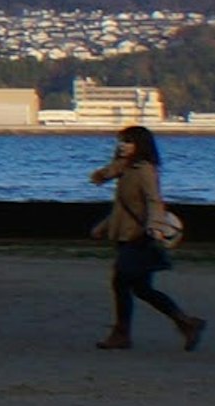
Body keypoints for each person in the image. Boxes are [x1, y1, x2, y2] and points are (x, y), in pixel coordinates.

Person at [86, 124, 205, 351]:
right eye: (121, 141)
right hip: (127, 234)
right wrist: (103, 227)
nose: (122, 146)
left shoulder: (143, 170)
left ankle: (122, 334)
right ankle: (186, 323)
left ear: (140, 145)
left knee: (121, 282)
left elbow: (153, 201)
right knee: (141, 288)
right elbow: (123, 207)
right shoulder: (124, 170)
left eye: (128, 141)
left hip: (140, 236)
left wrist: (155, 228)